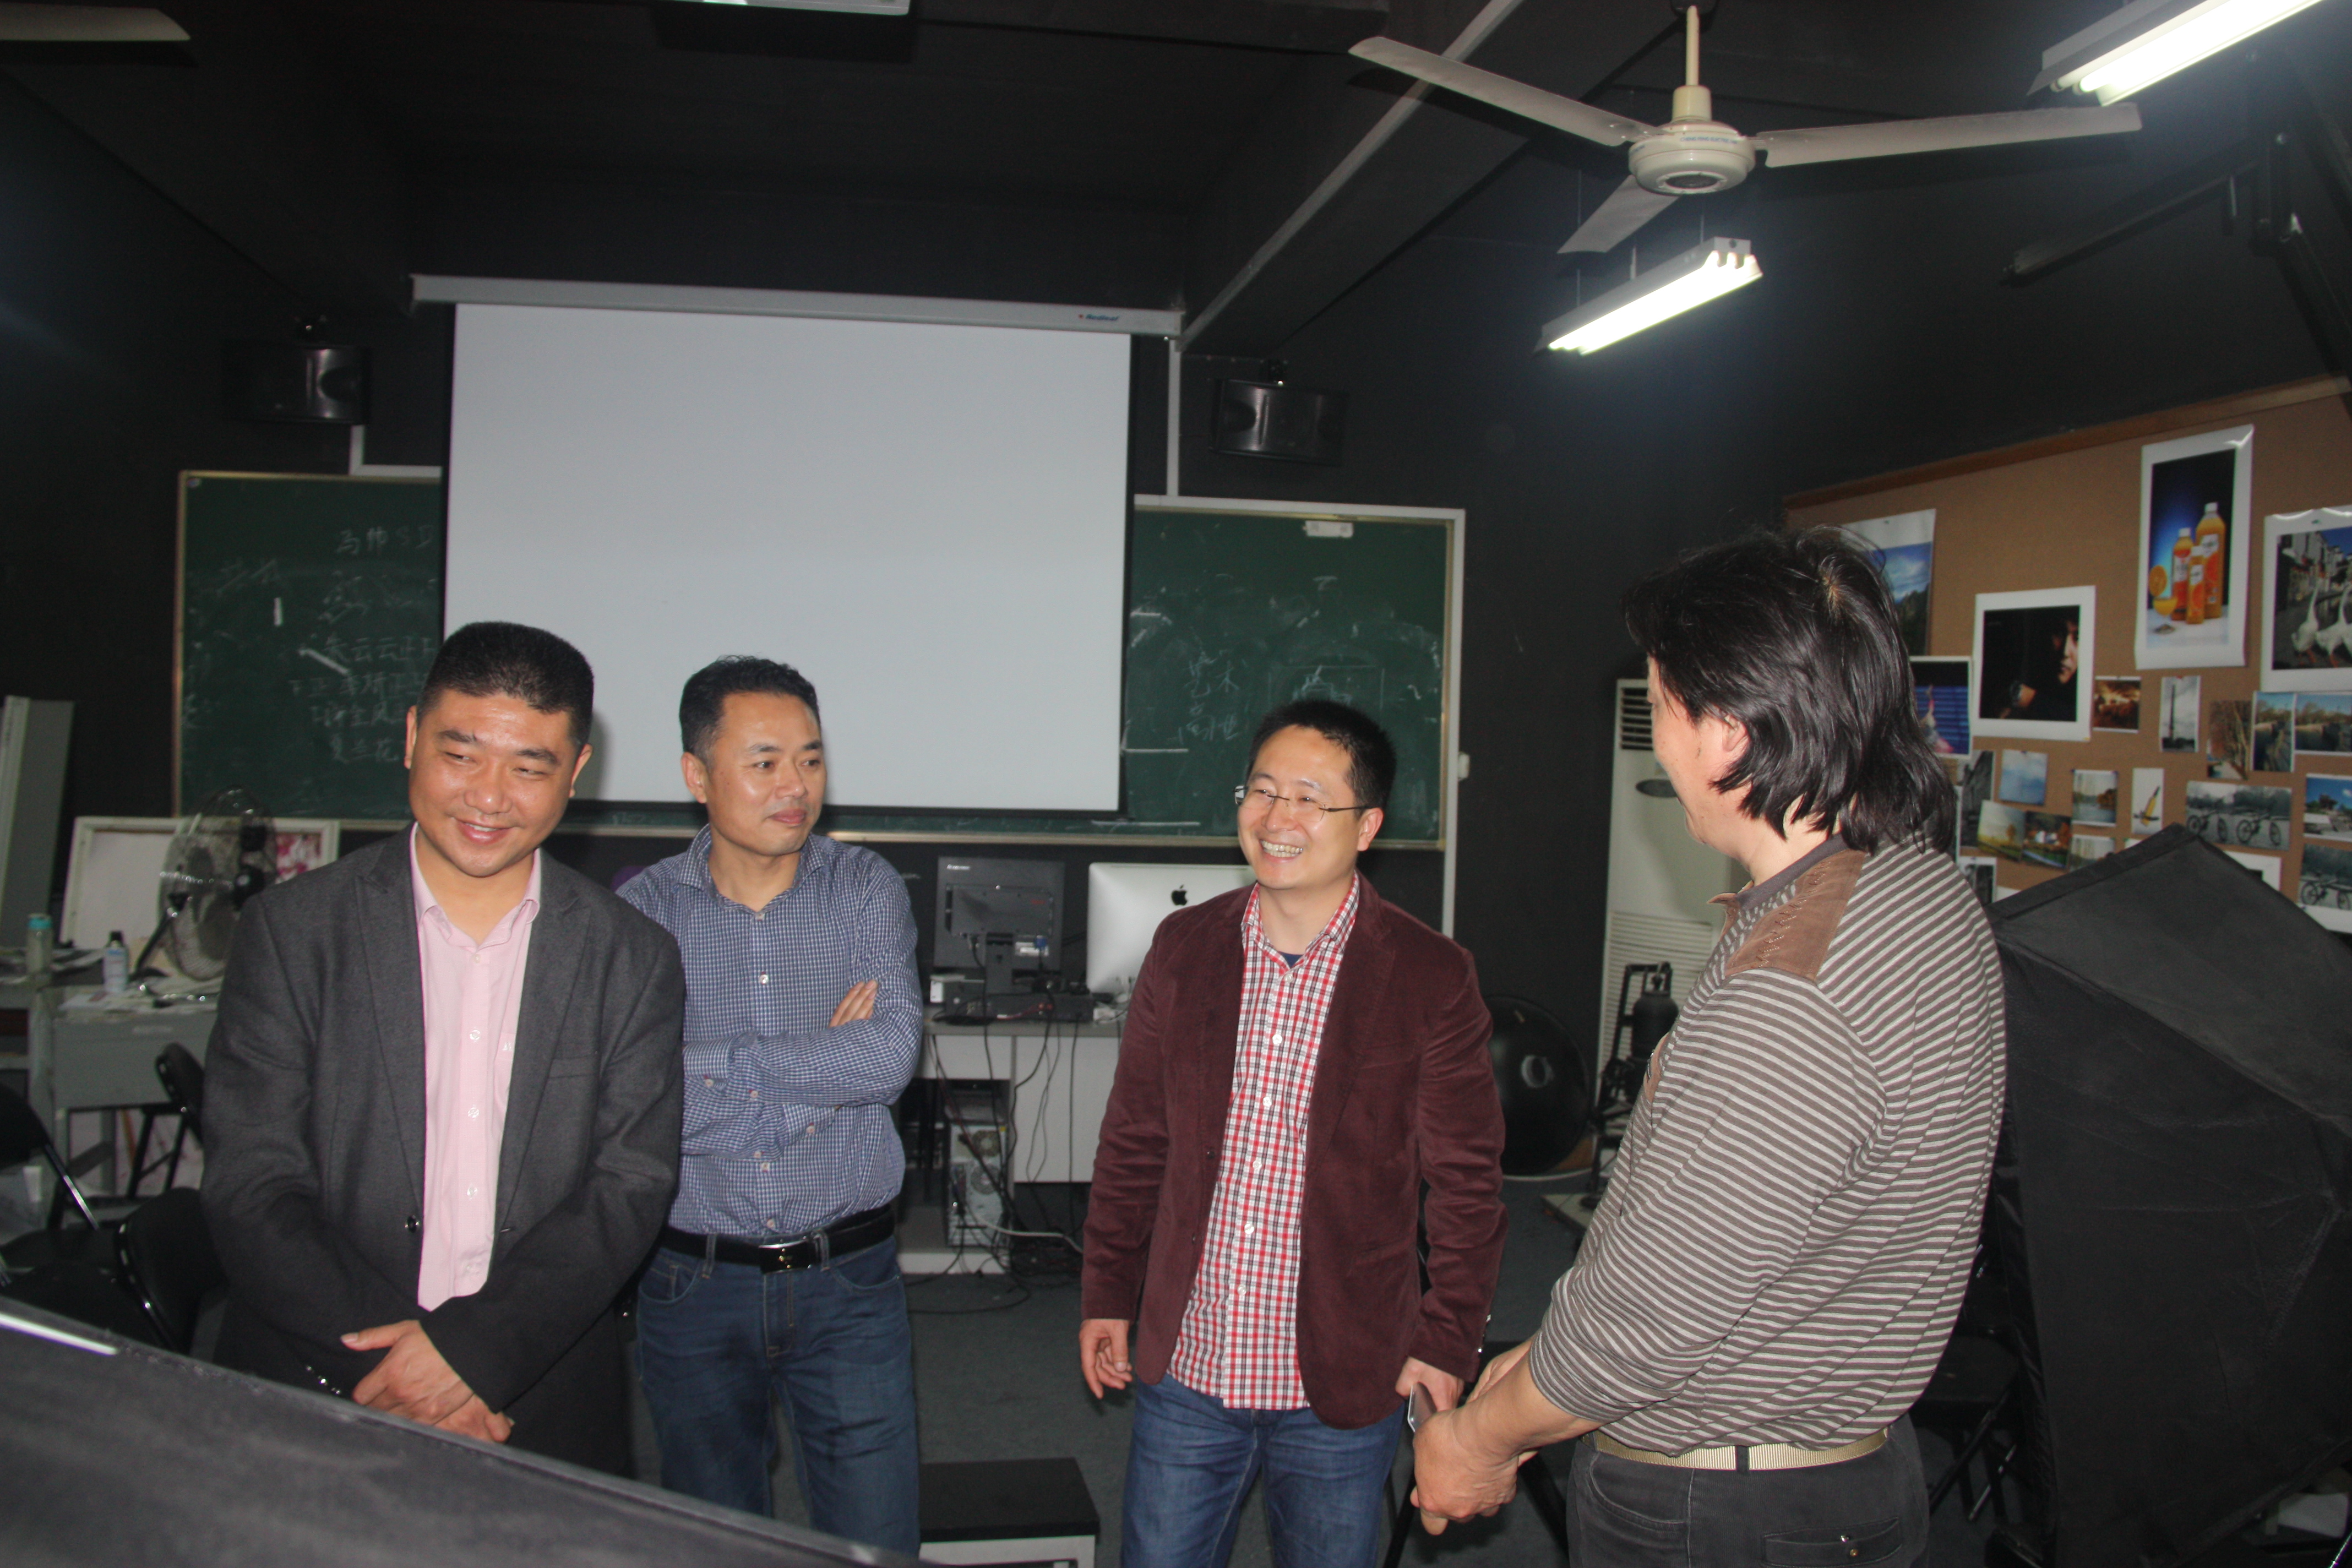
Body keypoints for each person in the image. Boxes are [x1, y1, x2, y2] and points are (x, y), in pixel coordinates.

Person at [1409, 529, 2005, 1566]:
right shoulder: (1914, 886)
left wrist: (1478, 1438)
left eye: (1660, 706)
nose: (1658, 744)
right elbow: (1727, 1238)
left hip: (1726, 1509)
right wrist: (1544, 1362)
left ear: (1728, 732)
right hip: (1840, 1469)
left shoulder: (1791, 997)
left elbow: (1652, 1321)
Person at [204, 622, 685, 1474]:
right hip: (322, 1385)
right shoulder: (293, 933)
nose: (488, 797)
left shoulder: (632, 955)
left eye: (529, 767)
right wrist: (407, 1375)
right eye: (460, 755)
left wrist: (473, 1358)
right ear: (411, 738)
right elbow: (254, 1183)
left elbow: (628, 1187)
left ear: (576, 771)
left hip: (536, 1393)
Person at [1079, 699, 1506, 1568]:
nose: (1278, 818)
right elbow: (1134, 1141)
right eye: (1263, 790)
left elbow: (1467, 1184)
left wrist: (1447, 1339)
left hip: (1340, 1377)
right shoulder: (1184, 948)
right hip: (1191, 1363)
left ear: (1367, 825)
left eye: (1310, 799)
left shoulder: (1430, 975)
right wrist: (1107, 1292)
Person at [617, 656, 922, 1551]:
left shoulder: (864, 888)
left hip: (849, 1279)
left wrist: (711, 1071)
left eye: (811, 759)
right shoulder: (643, 912)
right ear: (696, 775)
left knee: (877, 1541)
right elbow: (640, 1101)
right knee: (714, 1539)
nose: (796, 786)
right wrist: (819, 1077)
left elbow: (888, 1057)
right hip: (691, 1282)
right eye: (765, 762)